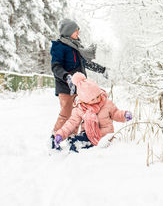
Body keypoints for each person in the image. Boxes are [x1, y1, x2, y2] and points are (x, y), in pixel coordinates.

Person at [50, 18, 108, 150]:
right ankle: (54, 139)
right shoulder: (59, 47)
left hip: (79, 88)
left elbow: (86, 63)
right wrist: (67, 77)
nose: (78, 33)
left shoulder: (76, 47)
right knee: (66, 113)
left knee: (77, 113)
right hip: (65, 86)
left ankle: (72, 139)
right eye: (76, 30)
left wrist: (102, 69)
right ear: (68, 31)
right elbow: (56, 66)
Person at [53, 72, 132, 152]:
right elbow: (71, 123)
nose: (97, 99)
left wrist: (124, 115)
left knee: (79, 145)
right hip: (88, 134)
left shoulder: (106, 103)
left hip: (105, 136)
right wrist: (60, 134)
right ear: (84, 100)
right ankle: (75, 158)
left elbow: (116, 113)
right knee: (75, 143)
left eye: (98, 96)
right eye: (93, 99)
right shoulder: (80, 108)